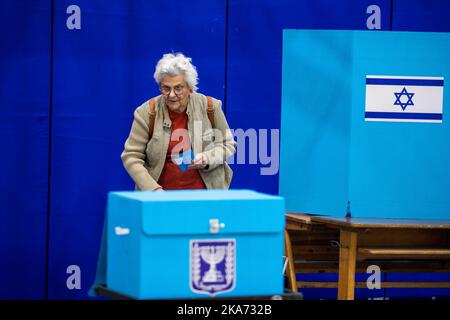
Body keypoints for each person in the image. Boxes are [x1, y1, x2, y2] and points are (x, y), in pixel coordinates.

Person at [121, 52, 236, 191]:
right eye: (166, 88)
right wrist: (153, 191)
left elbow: (228, 144)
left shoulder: (210, 107)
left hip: (206, 197)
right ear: (160, 87)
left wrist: (207, 158)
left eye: (178, 88)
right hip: (160, 199)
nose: (171, 94)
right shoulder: (146, 112)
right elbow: (131, 157)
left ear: (190, 88)